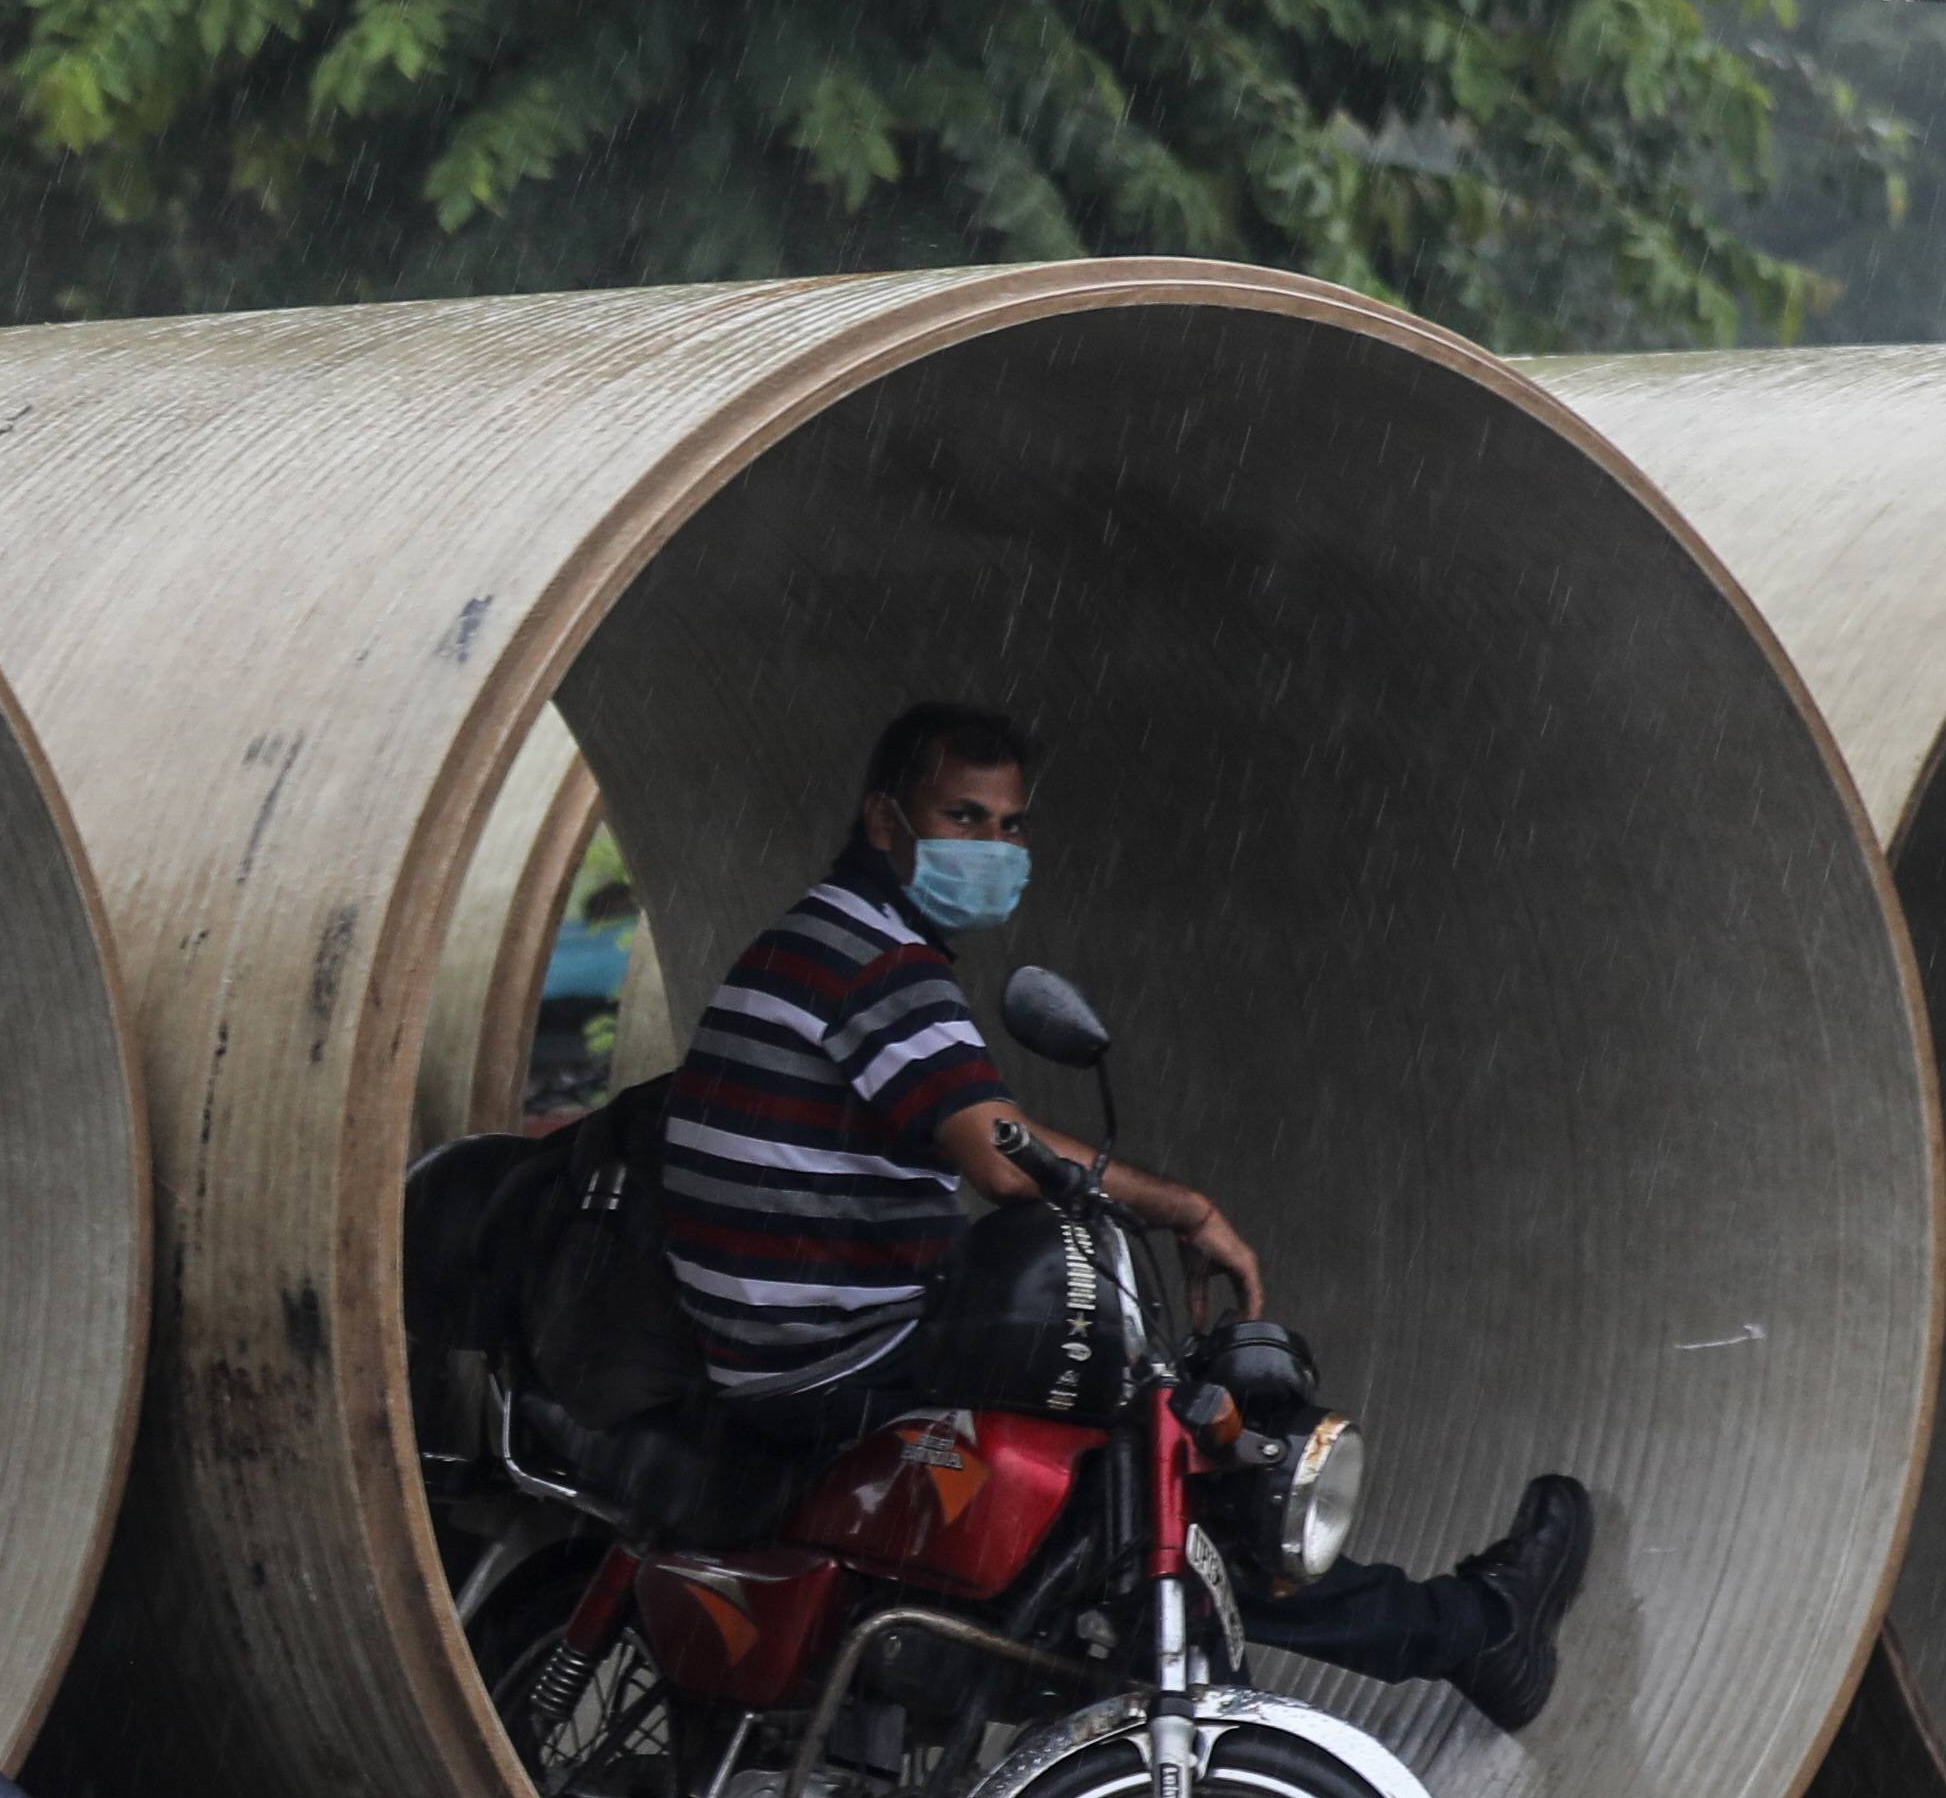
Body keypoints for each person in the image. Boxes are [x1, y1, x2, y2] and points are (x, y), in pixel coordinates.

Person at [656, 701, 1587, 1730]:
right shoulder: (877, 962)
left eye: (1008, 826)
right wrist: (1177, 1204)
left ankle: (1261, 1770)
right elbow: (999, 1155)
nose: (992, 849)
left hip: (775, 1353)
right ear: (884, 820)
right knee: (1163, 1477)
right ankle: (1459, 1640)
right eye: (961, 819)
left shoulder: (809, 938)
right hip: (838, 1364)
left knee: (1114, 1467)